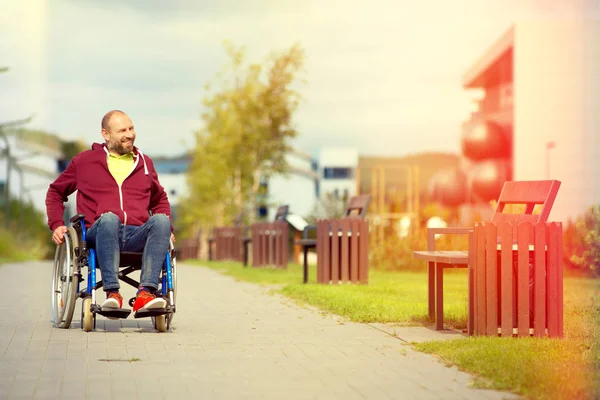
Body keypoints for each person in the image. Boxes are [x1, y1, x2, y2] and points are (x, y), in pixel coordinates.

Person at [45, 110, 175, 314]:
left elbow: (160, 200)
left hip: (135, 234)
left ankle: (146, 293)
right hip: (99, 233)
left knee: (161, 221)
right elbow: (55, 191)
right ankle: (112, 293)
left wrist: (167, 228)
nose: (129, 134)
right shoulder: (85, 162)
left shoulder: (144, 162)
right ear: (106, 134)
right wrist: (56, 223)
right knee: (109, 218)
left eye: (131, 128)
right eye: (122, 130)